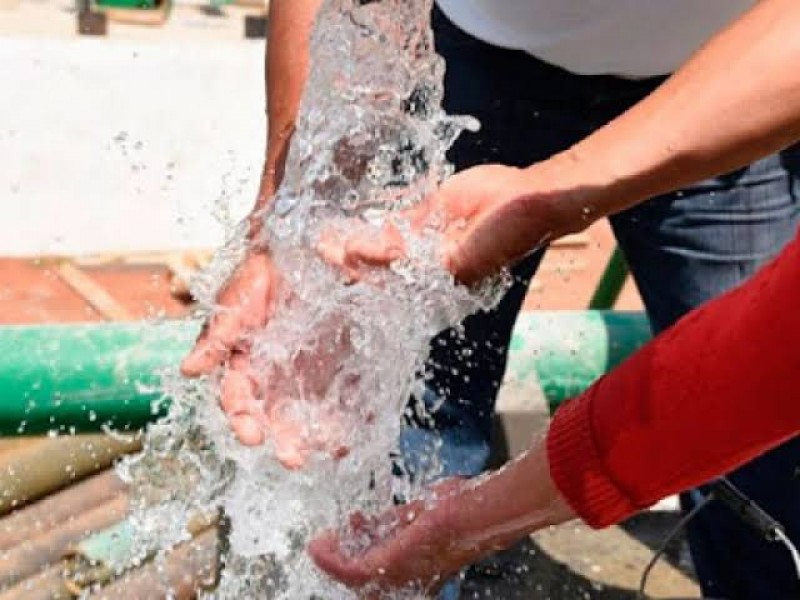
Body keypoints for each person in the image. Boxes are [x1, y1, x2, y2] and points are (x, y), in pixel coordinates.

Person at [180, 0, 800, 596]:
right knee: (416, 419)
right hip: (481, 67)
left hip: (740, 84)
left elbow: (761, 365)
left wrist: (481, 519)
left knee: (763, 468)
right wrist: (284, 226)